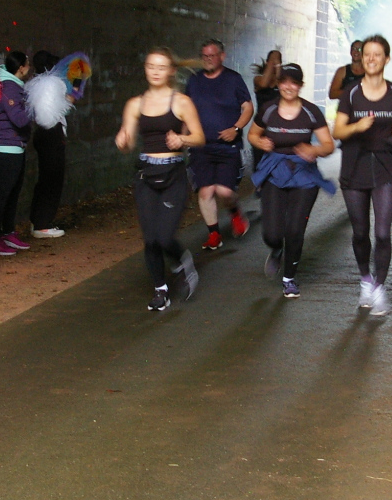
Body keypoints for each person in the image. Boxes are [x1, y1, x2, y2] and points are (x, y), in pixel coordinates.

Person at [115, 47, 205, 310]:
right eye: (151, 66)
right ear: (145, 69)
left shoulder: (181, 102)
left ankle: (182, 258)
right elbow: (128, 143)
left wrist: (182, 139)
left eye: (161, 67)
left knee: (164, 237)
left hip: (173, 174)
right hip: (146, 174)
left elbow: (199, 137)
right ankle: (160, 290)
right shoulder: (135, 104)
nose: (155, 71)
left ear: (171, 71)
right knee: (150, 238)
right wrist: (123, 142)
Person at [332, 35, 392, 315]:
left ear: (386, 59)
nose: (371, 59)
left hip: (385, 164)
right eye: (367, 54)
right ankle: (365, 279)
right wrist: (356, 127)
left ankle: (379, 288)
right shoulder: (351, 93)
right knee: (360, 232)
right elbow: (337, 131)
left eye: (377, 54)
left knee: (382, 232)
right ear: (361, 57)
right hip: (354, 164)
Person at [249, 63, 335, 298]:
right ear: (278, 84)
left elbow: (328, 145)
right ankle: (277, 249)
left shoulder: (311, 112)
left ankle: (289, 279)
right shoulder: (268, 109)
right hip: (275, 171)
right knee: (272, 234)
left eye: (294, 82)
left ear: (301, 85)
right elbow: (253, 134)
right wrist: (260, 142)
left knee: (295, 230)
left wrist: (314, 150)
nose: (288, 87)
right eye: (284, 82)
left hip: (303, 174)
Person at [183, 39, 253, 250]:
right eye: (204, 56)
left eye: (212, 55)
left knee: (224, 191)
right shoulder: (194, 81)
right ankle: (214, 234)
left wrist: (236, 129)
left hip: (227, 146)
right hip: (201, 146)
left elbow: (248, 107)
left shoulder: (233, 79)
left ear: (222, 56)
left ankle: (235, 213)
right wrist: (182, 137)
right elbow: (186, 111)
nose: (208, 59)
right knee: (205, 192)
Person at [0, 50, 34, 256]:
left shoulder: (13, 85)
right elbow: (19, 119)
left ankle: (7, 233)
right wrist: (36, 107)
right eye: (27, 64)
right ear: (20, 68)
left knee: (12, 192)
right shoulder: (10, 87)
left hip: (14, 145)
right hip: (8, 146)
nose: (29, 67)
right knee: (3, 194)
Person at [26, 49, 72, 238]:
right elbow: (62, 108)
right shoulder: (55, 84)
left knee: (44, 180)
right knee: (53, 181)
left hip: (41, 135)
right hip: (53, 134)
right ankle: (43, 224)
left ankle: (36, 220)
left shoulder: (33, 83)